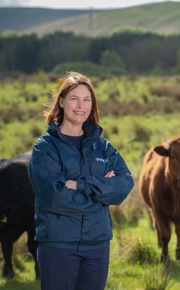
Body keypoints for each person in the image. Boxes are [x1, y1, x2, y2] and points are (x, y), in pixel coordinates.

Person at [28, 71, 134, 290]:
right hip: (58, 245)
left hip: (97, 246)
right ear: (62, 101)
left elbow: (124, 185)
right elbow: (55, 198)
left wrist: (81, 185)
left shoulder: (102, 147)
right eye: (74, 98)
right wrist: (101, 197)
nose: (80, 106)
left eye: (87, 100)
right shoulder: (45, 148)